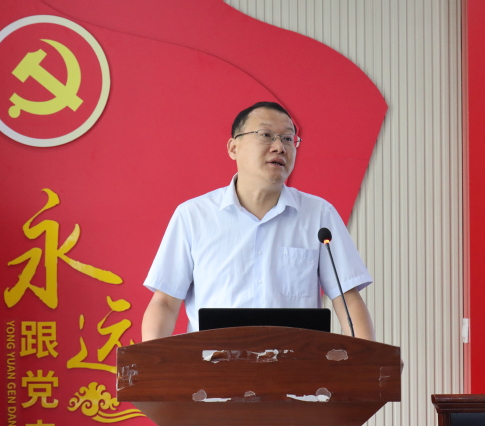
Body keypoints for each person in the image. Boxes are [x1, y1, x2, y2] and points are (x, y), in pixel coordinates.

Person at [141, 102, 375, 341]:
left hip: (296, 362)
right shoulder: (193, 216)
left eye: (288, 139)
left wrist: (369, 357)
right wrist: (150, 359)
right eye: (266, 135)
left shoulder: (319, 215)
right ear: (234, 148)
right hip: (213, 362)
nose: (279, 147)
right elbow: (165, 302)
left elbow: (347, 298)